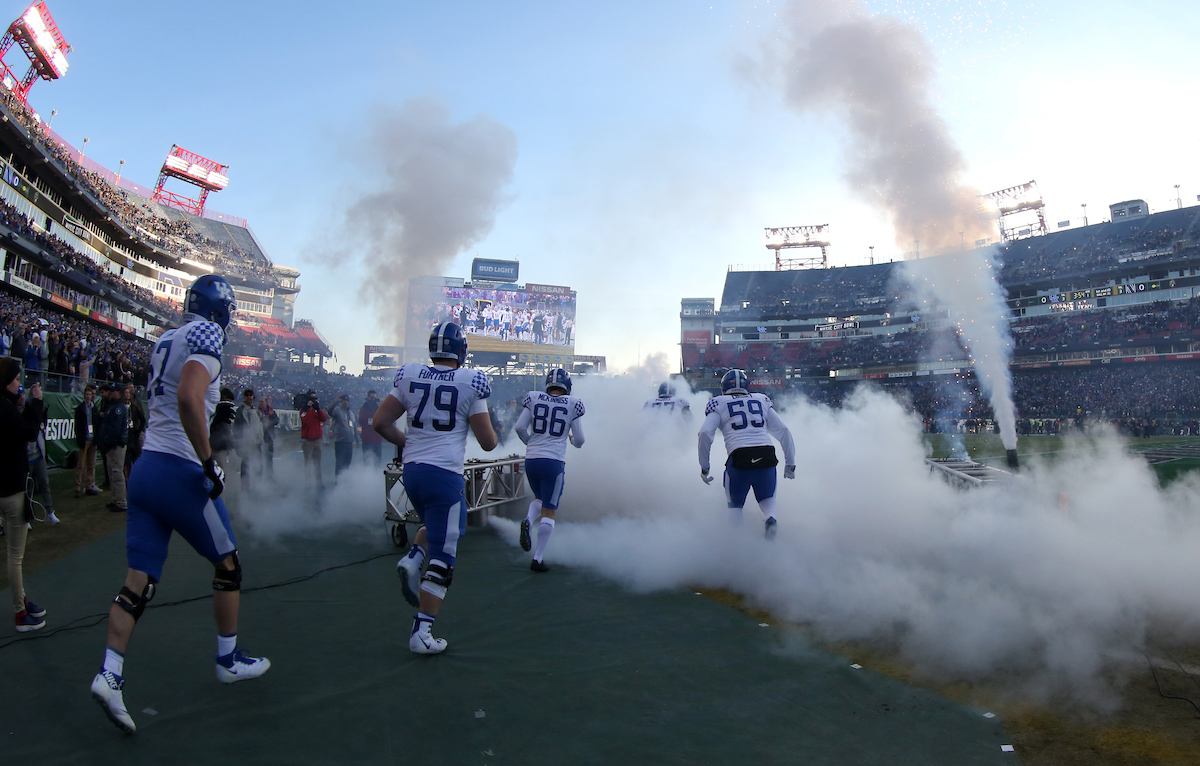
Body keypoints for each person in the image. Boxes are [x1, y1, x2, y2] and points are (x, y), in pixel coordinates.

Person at [90, 274, 269, 736]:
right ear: (221, 309)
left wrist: (213, 415)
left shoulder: (165, 338)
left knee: (138, 583)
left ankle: (110, 674)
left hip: (147, 468)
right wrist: (208, 463)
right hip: (178, 471)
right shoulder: (207, 333)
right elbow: (189, 396)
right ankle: (228, 659)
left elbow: (178, 400)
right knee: (228, 566)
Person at [372, 322, 498, 654]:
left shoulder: (411, 375)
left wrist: (409, 444)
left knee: (436, 526)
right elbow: (487, 443)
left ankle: (413, 557)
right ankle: (422, 632)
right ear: (462, 351)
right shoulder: (471, 381)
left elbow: (380, 423)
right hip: (444, 475)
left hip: (413, 472)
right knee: (445, 554)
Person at [697, 369, 796, 538]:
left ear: (724, 387)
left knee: (735, 506)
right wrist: (790, 464)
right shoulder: (761, 399)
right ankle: (770, 518)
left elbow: (705, 433)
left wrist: (705, 467)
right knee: (766, 498)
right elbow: (784, 430)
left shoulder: (718, 402)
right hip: (767, 455)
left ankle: (737, 545)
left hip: (739, 458)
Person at [514, 368, 585, 572]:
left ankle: (528, 519)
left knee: (539, 499)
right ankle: (537, 559)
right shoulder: (573, 403)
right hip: (553, 462)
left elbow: (519, 427)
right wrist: (572, 441)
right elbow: (580, 439)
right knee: (550, 510)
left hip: (532, 459)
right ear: (567, 387)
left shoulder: (534, 398)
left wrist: (532, 444)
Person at [1, 360, 48, 632]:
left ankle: (22, 600)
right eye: (16, 379)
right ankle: (20, 612)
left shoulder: (6, 406)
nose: (20, 383)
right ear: (8, 382)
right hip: (10, 489)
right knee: (15, 556)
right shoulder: (5, 409)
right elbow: (29, 432)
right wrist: (35, 403)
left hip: (4, 486)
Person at [26, 389, 60, 524]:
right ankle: (27, 517)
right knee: (27, 488)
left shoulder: (38, 414)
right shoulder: (24, 415)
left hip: (39, 455)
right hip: (27, 458)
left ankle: (50, 512)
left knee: (45, 484)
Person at [96, 384, 129, 513]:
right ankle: (116, 499)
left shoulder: (118, 408)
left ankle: (121, 502)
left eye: (113, 391)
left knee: (117, 473)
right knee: (112, 474)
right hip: (111, 445)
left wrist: (106, 442)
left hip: (116, 445)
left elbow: (115, 430)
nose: (110, 393)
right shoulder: (112, 406)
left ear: (119, 393)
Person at [234, 388, 264, 494]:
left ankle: (258, 487)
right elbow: (237, 429)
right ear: (244, 397)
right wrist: (238, 445)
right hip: (246, 443)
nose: (249, 397)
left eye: (250, 395)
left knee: (258, 466)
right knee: (246, 467)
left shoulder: (256, 411)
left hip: (257, 443)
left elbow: (261, 425)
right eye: (247, 395)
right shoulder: (240, 410)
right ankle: (245, 489)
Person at [74, 384, 101, 497]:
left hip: (92, 439)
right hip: (84, 439)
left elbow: (97, 424)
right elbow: (77, 426)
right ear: (84, 395)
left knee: (91, 464)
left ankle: (89, 486)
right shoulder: (80, 409)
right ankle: (78, 486)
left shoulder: (94, 408)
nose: (89, 396)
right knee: (81, 464)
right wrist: (80, 439)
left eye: (90, 394)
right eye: (87, 394)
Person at [299, 392, 327, 490]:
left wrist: (318, 409)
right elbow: (304, 420)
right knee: (308, 463)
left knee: (317, 463)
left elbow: (324, 418)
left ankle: (319, 483)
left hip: (317, 440)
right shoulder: (303, 411)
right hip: (307, 441)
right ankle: (308, 483)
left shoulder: (316, 410)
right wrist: (308, 408)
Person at [328, 393, 357, 479]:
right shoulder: (337, 410)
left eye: (346, 400)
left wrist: (357, 440)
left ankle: (345, 480)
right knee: (340, 462)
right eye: (343, 400)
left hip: (349, 441)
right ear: (341, 401)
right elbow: (329, 410)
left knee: (347, 462)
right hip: (340, 441)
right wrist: (336, 400)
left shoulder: (351, 413)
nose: (345, 402)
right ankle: (338, 480)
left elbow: (354, 426)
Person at [209, 388, 236, 477]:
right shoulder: (222, 412)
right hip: (218, 446)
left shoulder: (213, 411)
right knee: (222, 472)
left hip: (214, 444)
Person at [124, 384, 147, 478]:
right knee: (126, 462)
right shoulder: (122, 406)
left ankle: (137, 477)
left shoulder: (135, 406)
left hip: (134, 436)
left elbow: (142, 419)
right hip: (126, 437)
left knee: (136, 458)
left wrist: (138, 430)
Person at [358, 390, 382, 468]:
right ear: (367, 397)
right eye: (371, 398)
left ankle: (376, 476)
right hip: (367, 439)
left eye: (374, 398)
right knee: (367, 461)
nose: (373, 400)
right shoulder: (363, 408)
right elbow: (361, 421)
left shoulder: (378, 409)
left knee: (377, 461)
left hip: (377, 439)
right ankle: (367, 477)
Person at [258, 397, 279, 479]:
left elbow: (277, 421)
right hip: (260, 437)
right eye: (260, 402)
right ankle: (260, 476)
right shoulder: (257, 411)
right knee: (259, 457)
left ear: (266, 402)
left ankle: (270, 476)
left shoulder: (271, 411)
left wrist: (272, 415)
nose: (261, 403)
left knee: (269, 458)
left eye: (262, 402)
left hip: (270, 437)